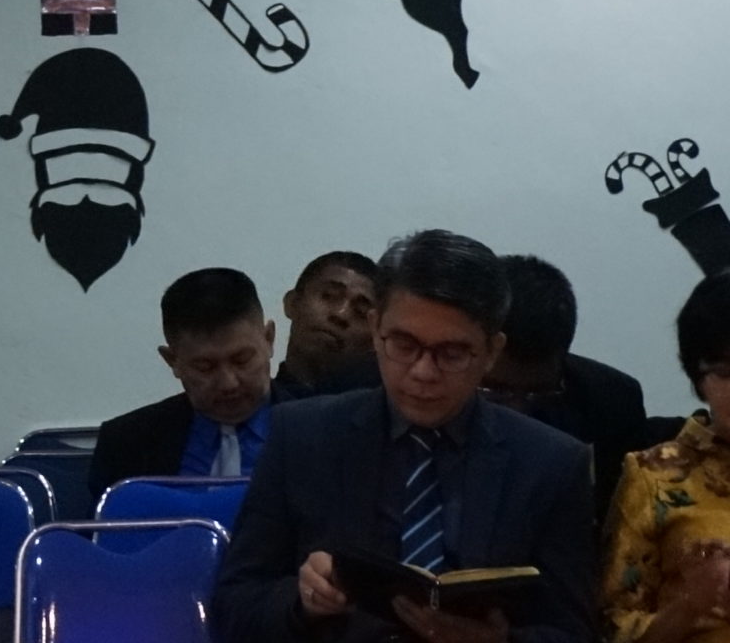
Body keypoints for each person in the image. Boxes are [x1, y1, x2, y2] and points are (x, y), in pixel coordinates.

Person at [211, 230, 595, 643]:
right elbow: (233, 605)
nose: (423, 372)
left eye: (452, 353)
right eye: (404, 344)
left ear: (491, 352)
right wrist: (301, 601)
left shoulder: (552, 464)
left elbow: (574, 632)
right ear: (375, 330)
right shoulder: (302, 434)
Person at [600, 271, 730, 643]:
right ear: (698, 378)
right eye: (726, 371)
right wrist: (690, 606)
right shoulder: (654, 476)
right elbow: (612, 627)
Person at [483, 254, 651, 521]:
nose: (517, 411)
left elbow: (616, 521)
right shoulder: (432, 389)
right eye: (495, 392)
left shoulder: (612, 402)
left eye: (537, 394)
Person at [91, 267, 279, 499]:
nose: (228, 383)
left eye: (242, 360)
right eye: (205, 367)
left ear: (269, 339)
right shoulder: (126, 442)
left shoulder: (316, 430)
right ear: (172, 360)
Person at [278, 250, 381, 401]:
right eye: (329, 296)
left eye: (360, 312)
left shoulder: (384, 412)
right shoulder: (247, 405)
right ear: (292, 303)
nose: (341, 314)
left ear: (374, 338)